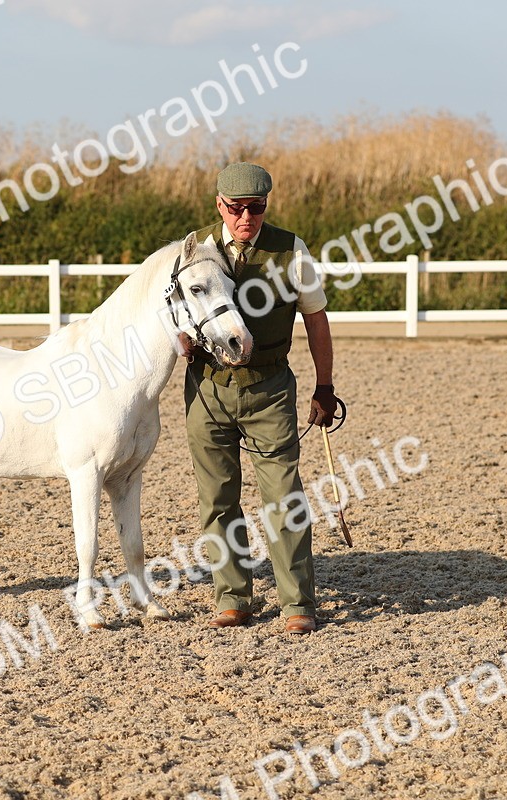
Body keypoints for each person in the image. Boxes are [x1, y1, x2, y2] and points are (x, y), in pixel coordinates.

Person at [182, 162, 338, 635]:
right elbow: (169, 313)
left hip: (270, 389)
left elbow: (315, 319)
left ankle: (297, 604)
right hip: (206, 390)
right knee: (217, 499)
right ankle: (232, 597)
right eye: (237, 209)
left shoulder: (291, 250)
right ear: (219, 205)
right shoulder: (194, 248)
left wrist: (325, 387)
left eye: (257, 208)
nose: (247, 217)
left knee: (283, 498)